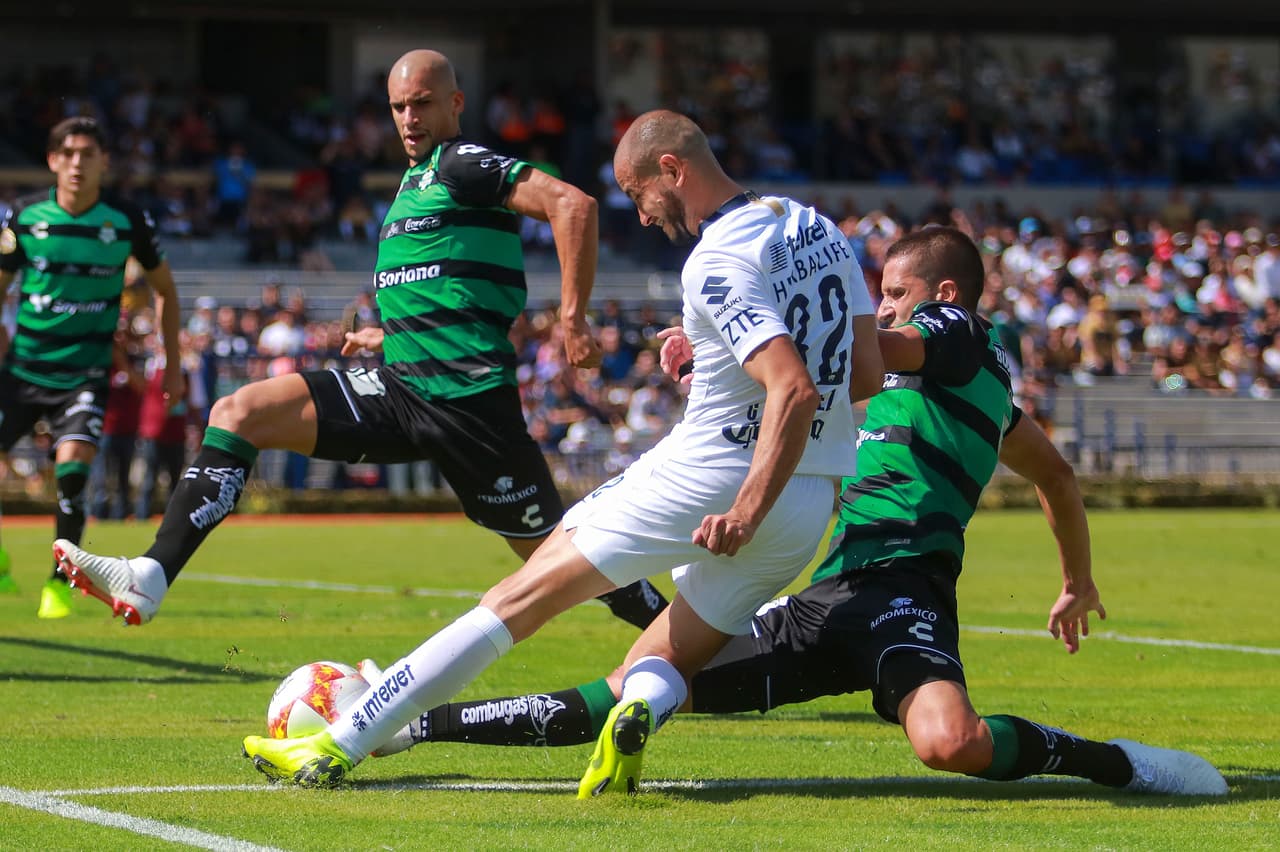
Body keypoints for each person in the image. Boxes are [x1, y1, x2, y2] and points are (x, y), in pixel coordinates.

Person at [365, 227, 1227, 797]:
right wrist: (715, 354)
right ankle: (409, 725)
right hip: (826, 595)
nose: (879, 306)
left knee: (948, 744)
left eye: (892, 292)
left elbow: (875, 352)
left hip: (905, 593)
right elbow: (1056, 477)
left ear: (943, 293)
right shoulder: (956, 397)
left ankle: (1112, 764)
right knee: (644, 683)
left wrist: (739, 327)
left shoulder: (962, 336)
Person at [240, 108, 883, 792]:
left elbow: (793, 387)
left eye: (638, 194)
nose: (641, 217)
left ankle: (336, 743)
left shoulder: (715, 259)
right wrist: (715, 363)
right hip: (807, 504)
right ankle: (639, 710)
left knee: (516, 599)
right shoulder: (816, 228)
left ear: (671, 169)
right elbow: (863, 374)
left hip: (719, 477)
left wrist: (745, 509)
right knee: (659, 658)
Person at [54, 50, 664, 632]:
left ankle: (687, 641)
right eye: (398, 106)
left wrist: (572, 319)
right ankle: (151, 574)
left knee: (562, 561)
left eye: (422, 103)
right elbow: (446, 278)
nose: (409, 118)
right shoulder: (413, 182)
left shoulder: (460, 163)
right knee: (239, 412)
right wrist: (391, 332)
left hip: (468, 407)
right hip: (402, 387)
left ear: (455, 104)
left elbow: (572, 205)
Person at [0, 116, 183, 616]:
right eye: (68, 153)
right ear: (52, 160)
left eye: (88, 154)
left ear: (104, 161)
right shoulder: (25, 218)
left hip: (84, 375)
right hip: (21, 372)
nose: (77, 163)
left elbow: (165, 290)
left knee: (74, 468)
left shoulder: (127, 220)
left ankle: (58, 584)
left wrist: (172, 365)